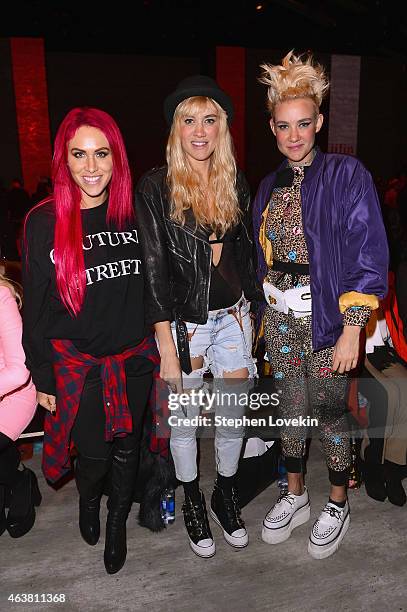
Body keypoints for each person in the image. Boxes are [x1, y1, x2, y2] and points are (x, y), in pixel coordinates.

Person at [252, 51, 388, 559]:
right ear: (272, 127)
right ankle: (295, 495)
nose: (294, 135)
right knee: (290, 411)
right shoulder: (268, 186)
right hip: (280, 322)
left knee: (329, 413)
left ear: (320, 123)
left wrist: (353, 327)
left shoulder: (347, 175)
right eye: (284, 126)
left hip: (328, 321)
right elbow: (260, 260)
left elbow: (368, 255)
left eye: (304, 124)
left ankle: (336, 502)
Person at [22, 107, 160, 574]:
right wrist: (40, 374)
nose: (91, 166)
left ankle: (117, 522)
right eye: (78, 155)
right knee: (96, 456)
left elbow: (158, 286)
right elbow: (35, 307)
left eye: (101, 154)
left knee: (129, 449)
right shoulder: (43, 222)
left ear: (116, 158)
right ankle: (88, 501)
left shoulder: (136, 212)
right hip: (78, 366)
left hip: (135, 359)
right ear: (63, 159)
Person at [136, 75, 263, 558]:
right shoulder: (156, 187)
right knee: (186, 423)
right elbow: (153, 272)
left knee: (232, 417)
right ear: (175, 128)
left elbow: (247, 257)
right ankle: (191, 497)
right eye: (189, 120)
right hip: (185, 327)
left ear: (222, 128)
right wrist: (167, 347)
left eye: (210, 120)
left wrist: (258, 313)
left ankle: (223, 494)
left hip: (233, 318)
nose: (200, 131)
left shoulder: (235, 180)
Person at [0, 274, 38, 538]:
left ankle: (19, 481)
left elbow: (18, 372)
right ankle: (13, 475)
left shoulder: (1, 296)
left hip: (14, 394)